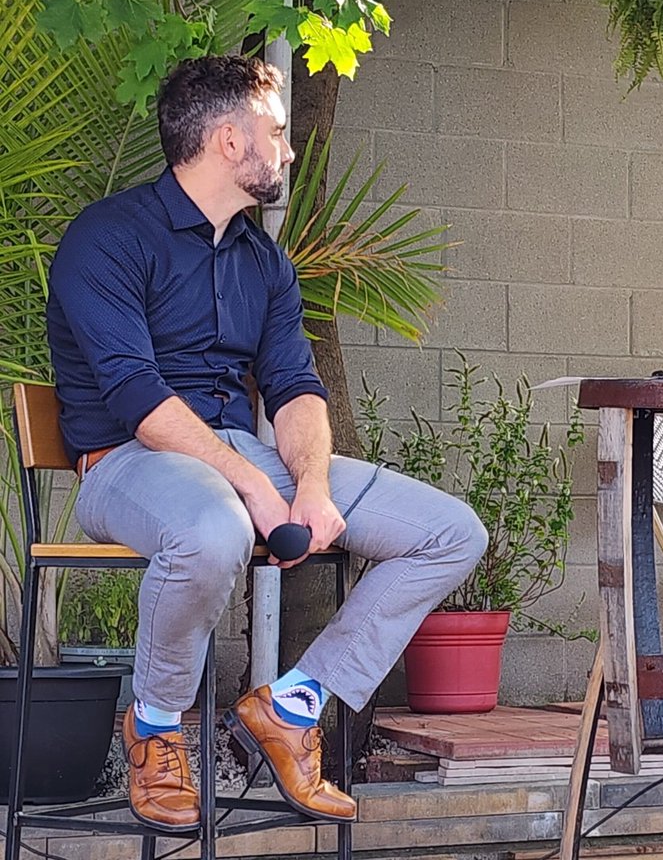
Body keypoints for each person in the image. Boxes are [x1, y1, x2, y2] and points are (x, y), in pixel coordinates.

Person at [46, 54, 487, 831]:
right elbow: (136, 396)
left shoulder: (265, 263)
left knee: (450, 532)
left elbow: (294, 388)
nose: (287, 152)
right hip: (129, 463)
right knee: (212, 529)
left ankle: (292, 706)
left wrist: (308, 485)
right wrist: (253, 487)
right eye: (276, 133)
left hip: (240, 458)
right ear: (228, 140)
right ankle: (155, 727)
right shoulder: (109, 237)